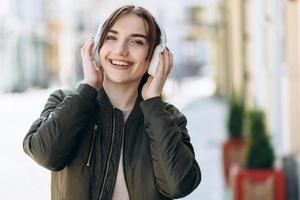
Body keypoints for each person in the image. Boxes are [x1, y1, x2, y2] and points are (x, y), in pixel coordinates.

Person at [23, 5, 201, 200]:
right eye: (111, 37)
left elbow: (179, 185)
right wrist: (88, 87)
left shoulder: (167, 117)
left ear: (154, 57)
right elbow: (45, 153)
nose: (121, 50)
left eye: (136, 42)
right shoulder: (64, 102)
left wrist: (153, 104)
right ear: (98, 46)